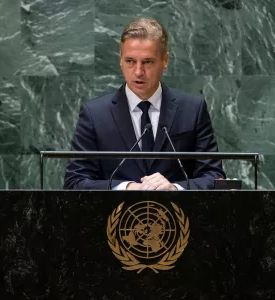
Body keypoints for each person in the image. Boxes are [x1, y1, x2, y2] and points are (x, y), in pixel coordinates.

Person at [64, 18, 225, 190]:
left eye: (147, 62)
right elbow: (75, 182)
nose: (138, 72)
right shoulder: (95, 114)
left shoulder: (192, 110)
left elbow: (214, 177)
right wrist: (126, 187)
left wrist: (175, 189)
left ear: (165, 61)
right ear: (120, 60)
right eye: (130, 61)